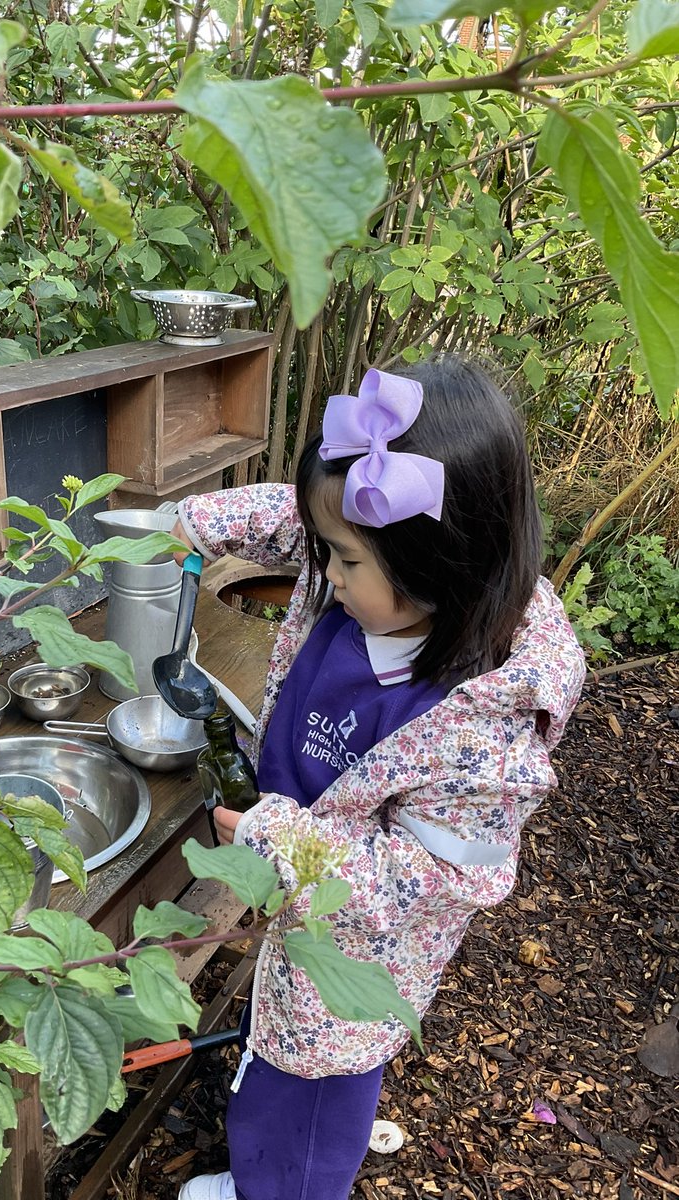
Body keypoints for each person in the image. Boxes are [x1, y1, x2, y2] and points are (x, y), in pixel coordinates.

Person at [170, 358, 586, 1200]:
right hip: (303, 892)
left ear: (443, 563)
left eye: (345, 559)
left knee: (307, 1102)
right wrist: (181, 522)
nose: (324, 571)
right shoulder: (382, 580)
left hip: (358, 958)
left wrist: (273, 838)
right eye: (326, 550)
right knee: (271, 1052)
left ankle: (277, 1194)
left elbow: (420, 879)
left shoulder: (484, 736)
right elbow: (296, 521)